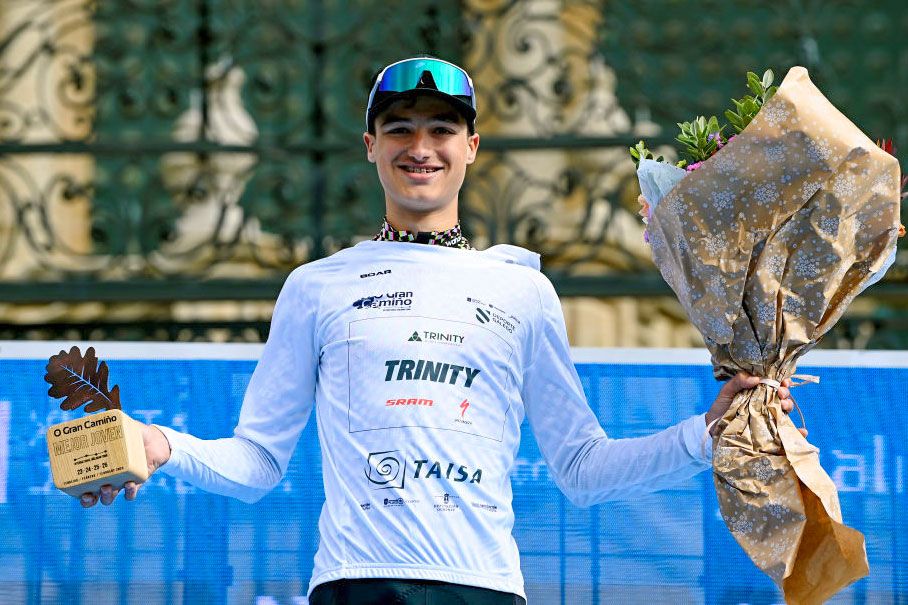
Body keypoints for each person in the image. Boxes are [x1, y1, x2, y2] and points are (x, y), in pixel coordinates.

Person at [80, 57, 800, 604]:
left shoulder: (523, 290)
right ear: (370, 145)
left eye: (441, 128)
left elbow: (581, 468)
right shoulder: (315, 286)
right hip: (354, 584)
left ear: (472, 146)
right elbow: (257, 461)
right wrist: (161, 444)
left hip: (481, 586)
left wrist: (707, 433)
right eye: (399, 127)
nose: (419, 145)